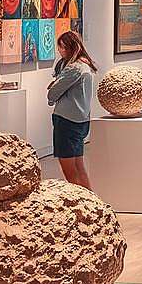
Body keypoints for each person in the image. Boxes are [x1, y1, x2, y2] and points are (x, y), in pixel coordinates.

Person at [46, 31, 97, 189]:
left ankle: (79, 199)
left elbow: (52, 93)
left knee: (69, 169)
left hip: (67, 120)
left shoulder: (74, 68)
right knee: (79, 166)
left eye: (61, 47)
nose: (59, 51)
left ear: (69, 47)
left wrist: (53, 90)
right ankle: (89, 200)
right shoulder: (85, 65)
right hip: (81, 119)